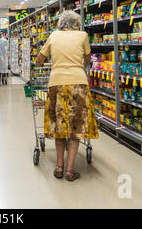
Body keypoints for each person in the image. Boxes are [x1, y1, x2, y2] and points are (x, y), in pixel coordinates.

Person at [35, 10, 98, 181]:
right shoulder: (83, 35)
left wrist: (49, 62)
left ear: (61, 24)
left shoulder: (53, 36)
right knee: (75, 128)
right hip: (78, 83)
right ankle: (70, 170)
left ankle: (59, 166)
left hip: (56, 84)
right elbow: (87, 60)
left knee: (59, 128)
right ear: (76, 24)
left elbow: (38, 60)